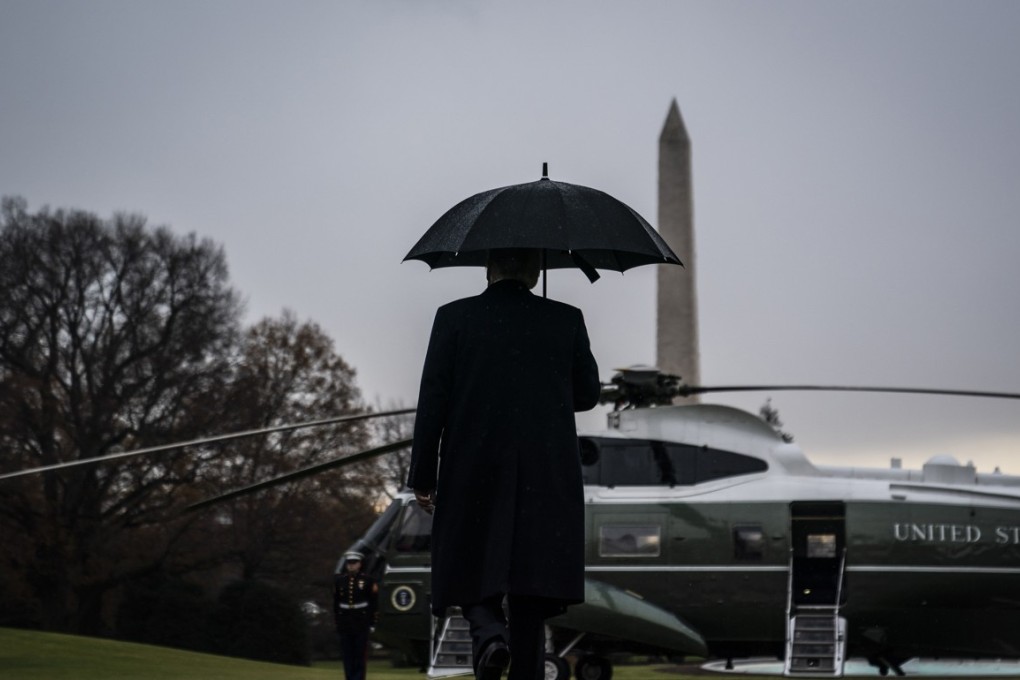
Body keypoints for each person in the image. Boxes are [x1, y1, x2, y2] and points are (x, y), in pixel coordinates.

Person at [407, 248, 601, 680]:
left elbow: (432, 402)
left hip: (472, 465)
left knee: (471, 560)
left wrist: (422, 476)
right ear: (535, 272)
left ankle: (490, 634)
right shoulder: (566, 318)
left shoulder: (453, 317)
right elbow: (586, 395)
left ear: (488, 269)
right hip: (545, 473)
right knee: (532, 585)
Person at [333, 551, 378, 680]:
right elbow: (336, 602)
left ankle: (358, 677)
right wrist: (337, 621)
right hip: (345, 620)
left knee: (359, 653)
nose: (351, 566)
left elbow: (373, 602)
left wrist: (372, 622)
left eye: (354, 563)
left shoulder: (368, 580)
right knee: (347, 653)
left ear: (359, 564)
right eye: (349, 563)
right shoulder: (339, 580)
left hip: (361, 620)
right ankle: (349, 677)